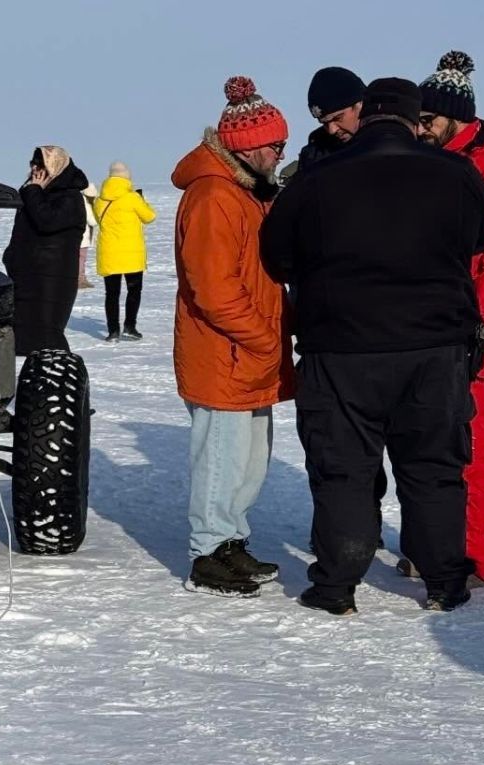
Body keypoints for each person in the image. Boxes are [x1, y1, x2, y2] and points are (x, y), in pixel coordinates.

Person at [261, 78, 484, 614]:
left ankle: (337, 585)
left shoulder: (315, 180)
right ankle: (443, 581)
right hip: (434, 347)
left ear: (364, 115)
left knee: (344, 468)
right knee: (434, 464)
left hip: (340, 349)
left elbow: (277, 257)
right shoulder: (456, 173)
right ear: (415, 120)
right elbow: (482, 237)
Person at [172, 76, 294, 599]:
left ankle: (231, 541)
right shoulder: (214, 197)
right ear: (244, 146)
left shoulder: (248, 194)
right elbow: (213, 288)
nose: (278, 153)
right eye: (272, 145)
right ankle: (209, 553)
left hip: (247, 355)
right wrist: (265, 339)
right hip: (226, 354)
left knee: (248, 461)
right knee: (221, 459)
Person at [415, 50, 484, 588]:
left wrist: (483, 333)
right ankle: (437, 543)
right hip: (425, 328)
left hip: (472, 332)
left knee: (473, 441)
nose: (421, 128)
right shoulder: (428, 159)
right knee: (428, 443)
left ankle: (481, 554)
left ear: (456, 116)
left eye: (429, 119)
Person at [2, 146, 90, 354]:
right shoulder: (33, 193)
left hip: (52, 280)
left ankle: (59, 381)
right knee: (23, 334)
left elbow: (47, 221)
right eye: (33, 165)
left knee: (47, 336)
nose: (35, 170)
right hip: (28, 277)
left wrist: (34, 191)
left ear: (55, 167)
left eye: (41, 165)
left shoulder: (70, 197)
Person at [94, 162, 157, 340]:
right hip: (131, 253)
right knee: (133, 291)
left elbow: (99, 220)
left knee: (111, 294)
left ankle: (113, 331)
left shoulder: (100, 200)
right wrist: (142, 200)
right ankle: (130, 326)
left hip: (109, 252)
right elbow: (150, 217)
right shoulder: (132, 198)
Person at [281, 66, 366, 182]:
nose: (332, 130)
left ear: (360, 105)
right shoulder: (314, 156)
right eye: (324, 123)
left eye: (338, 118)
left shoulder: (393, 143)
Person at [78, 179, 99, 291]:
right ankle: (80, 280)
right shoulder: (86, 203)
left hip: (72, 236)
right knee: (81, 258)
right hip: (83, 237)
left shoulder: (76, 199)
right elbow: (92, 221)